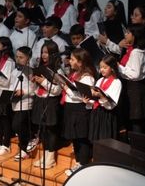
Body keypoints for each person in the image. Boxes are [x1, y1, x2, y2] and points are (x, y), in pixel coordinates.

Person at [60, 48, 96, 176]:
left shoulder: (87, 77)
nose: (70, 61)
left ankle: (83, 164)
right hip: (71, 108)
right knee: (75, 137)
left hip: (80, 110)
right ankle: (79, 162)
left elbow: (82, 96)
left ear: (80, 62)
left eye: (73, 59)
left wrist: (65, 88)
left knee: (81, 138)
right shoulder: (75, 73)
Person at [31, 40, 63, 169]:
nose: (44, 55)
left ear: (53, 54)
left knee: (51, 130)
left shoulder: (58, 70)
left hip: (51, 102)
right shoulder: (41, 67)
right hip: (40, 99)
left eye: (47, 53)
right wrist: (34, 81)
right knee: (43, 130)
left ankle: (51, 158)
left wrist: (43, 81)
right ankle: (44, 155)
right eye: (43, 52)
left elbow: (57, 90)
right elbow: (36, 87)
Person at [118, 24, 145, 134]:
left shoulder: (136, 52)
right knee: (131, 119)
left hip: (135, 89)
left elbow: (135, 74)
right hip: (131, 88)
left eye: (128, 33)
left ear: (135, 35)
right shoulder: (131, 50)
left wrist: (119, 67)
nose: (126, 35)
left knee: (136, 120)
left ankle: (137, 147)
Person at [87, 54, 122, 143]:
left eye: (105, 67)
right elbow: (95, 98)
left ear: (112, 68)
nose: (101, 70)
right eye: (100, 67)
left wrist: (101, 96)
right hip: (97, 113)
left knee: (105, 141)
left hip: (107, 115)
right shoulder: (99, 80)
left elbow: (112, 104)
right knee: (96, 140)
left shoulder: (116, 82)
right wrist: (88, 101)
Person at [10, 46, 36, 160]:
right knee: (18, 126)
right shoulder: (15, 71)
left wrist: (23, 91)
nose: (18, 59)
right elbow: (11, 84)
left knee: (17, 125)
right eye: (17, 56)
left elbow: (34, 89)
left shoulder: (31, 71)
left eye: (21, 57)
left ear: (28, 58)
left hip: (26, 102)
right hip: (15, 102)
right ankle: (23, 148)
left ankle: (26, 146)